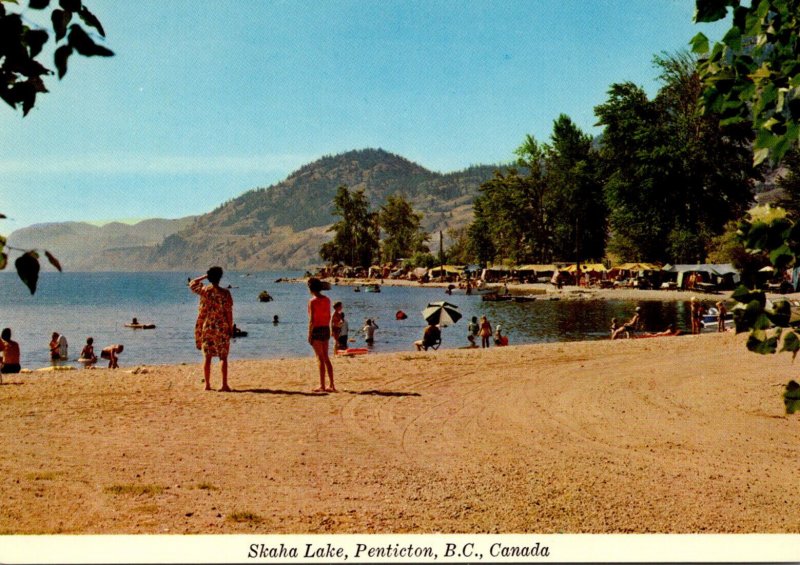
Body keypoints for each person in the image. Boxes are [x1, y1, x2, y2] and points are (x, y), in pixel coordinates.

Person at [190, 266, 234, 392]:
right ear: (220, 278)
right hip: (222, 326)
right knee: (223, 357)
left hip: (208, 326)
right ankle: (224, 385)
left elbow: (192, 283)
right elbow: (229, 313)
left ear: (210, 278)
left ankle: (207, 385)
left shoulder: (205, 290)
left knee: (207, 356)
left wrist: (205, 276)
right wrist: (230, 327)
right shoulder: (226, 293)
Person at [307, 277, 335, 392]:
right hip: (325, 328)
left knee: (320, 358)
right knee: (326, 358)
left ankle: (322, 385)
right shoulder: (327, 300)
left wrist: (309, 334)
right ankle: (332, 384)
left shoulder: (312, 301)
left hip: (317, 329)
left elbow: (312, 320)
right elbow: (328, 316)